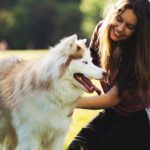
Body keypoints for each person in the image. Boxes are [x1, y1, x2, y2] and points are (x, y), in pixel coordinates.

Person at [68, 0, 150, 150]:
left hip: (141, 115)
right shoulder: (101, 30)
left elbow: (113, 98)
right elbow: (90, 67)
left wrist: (70, 102)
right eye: (119, 19)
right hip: (117, 111)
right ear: (114, 13)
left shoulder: (139, 55)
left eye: (129, 27)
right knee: (76, 147)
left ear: (138, 32)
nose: (119, 28)